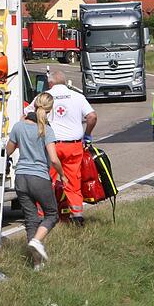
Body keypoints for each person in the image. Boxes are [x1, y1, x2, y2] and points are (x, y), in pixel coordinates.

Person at [6, 92, 67, 269]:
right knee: (52, 214)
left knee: (31, 219)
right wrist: (62, 175)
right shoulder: (47, 130)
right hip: (39, 178)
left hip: (21, 179)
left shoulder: (18, 126)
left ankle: (37, 264)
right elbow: (54, 159)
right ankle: (37, 241)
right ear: (50, 109)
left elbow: (8, 151)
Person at [41, 69, 97, 224]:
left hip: (52, 145)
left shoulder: (44, 97)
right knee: (73, 180)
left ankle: (43, 215)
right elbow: (92, 116)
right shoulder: (78, 97)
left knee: (47, 180)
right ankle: (77, 215)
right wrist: (88, 135)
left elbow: (28, 114)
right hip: (74, 146)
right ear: (65, 82)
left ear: (50, 83)